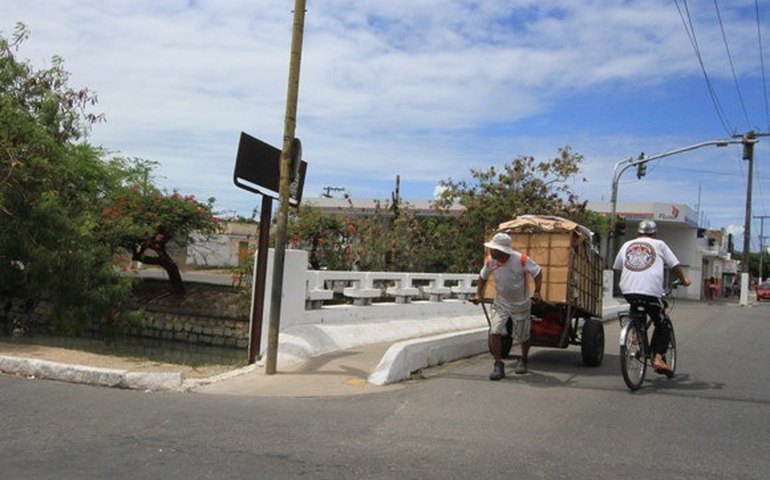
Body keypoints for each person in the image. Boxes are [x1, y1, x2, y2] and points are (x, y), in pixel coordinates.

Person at [613, 220, 691, 376]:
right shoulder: (660, 244)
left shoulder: (626, 245)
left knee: (637, 308)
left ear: (638, 233)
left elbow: (617, 268)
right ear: (655, 233)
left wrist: (627, 283)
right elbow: (674, 265)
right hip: (650, 292)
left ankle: (636, 332)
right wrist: (684, 281)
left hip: (628, 291)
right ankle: (658, 357)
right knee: (662, 322)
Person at [472, 232, 542, 381]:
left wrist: (537, 292)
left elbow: (537, 272)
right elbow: (482, 277)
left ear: (502, 251)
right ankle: (498, 364)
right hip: (501, 303)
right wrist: (478, 294)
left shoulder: (521, 260)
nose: (491, 251)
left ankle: (523, 359)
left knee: (523, 336)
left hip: (521, 304)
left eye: (494, 249)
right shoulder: (490, 261)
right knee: (495, 331)